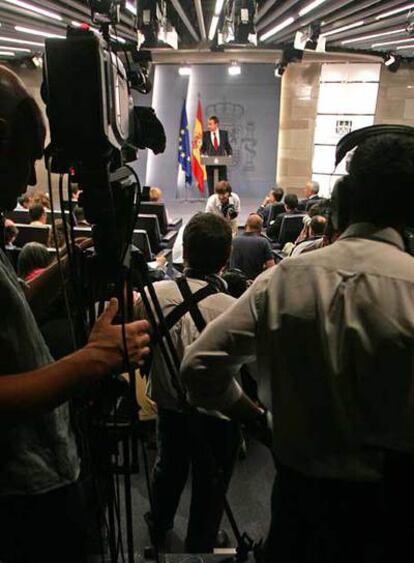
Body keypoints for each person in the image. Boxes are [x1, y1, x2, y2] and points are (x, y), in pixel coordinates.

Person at [181, 132, 414, 563]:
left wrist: (253, 418)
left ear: (340, 204)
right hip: (391, 518)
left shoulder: (283, 280)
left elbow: (198, 367)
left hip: (297, 507)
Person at [0, 64, 150, 563]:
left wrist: (64, 268)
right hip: (18, 496)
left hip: (38, 474)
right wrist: (95, 359)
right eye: (23, 159)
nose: (28, 178)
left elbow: (11, 305)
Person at [135, 212, 257, 553]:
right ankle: (201, 543)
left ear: (184, 251)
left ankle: (158, 525)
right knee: (211, 483)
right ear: (225, 258)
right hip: (220, 417)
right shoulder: (235, 309)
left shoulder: (150, 295)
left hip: (170, 408)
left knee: (167, 470)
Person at [230, 214, 275, 279]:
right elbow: (271, 269)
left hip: (235, 284)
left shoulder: (233, 241)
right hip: (255, 284)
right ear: (260, 228)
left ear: (246, 225)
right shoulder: (263, 242)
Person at [201, 115, 233, 196]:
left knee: (223, 184)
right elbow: (203, 148)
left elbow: (228, 147)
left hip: (221, 163)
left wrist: (229, 155)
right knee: (211, 184)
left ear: (216, 124)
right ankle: (212, 200)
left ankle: (224, 200)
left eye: (210, 124)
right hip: (210, 164)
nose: (208, 126)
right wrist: (202, 154)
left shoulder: (224, 134)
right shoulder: (205, 134)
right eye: (208, 124)